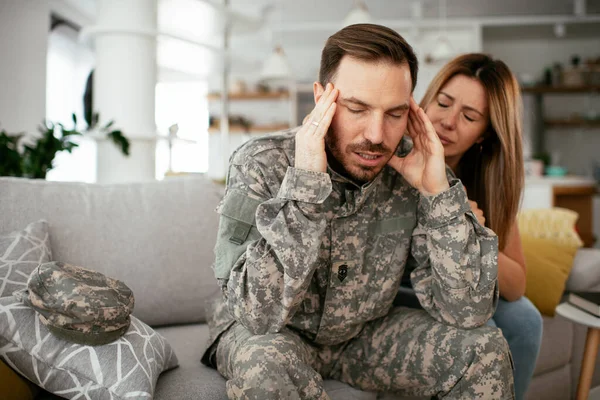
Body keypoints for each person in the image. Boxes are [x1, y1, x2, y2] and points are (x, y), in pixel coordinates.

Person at [202, 24, 514, 400]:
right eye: (357, 109)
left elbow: (468, 311)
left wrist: (437, 193)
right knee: (264, 364)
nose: (377, 135)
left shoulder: (415, 167)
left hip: (363, 336)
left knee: (484, 348)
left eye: (395, 114)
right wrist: (305, 185)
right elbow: (257, 315)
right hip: (275, 335)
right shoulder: (261, 163)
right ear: (322, 99)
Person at [400, 53, 542, 400]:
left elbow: (517, 284)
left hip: (459, 293)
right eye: (443, 103)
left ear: (485, 134)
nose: (448, 121)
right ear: (425, 101)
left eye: (469, 116)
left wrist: (475, 234)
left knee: (525, 318)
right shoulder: (394, 155)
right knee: (483, 329)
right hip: (400, 293)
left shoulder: (486, 182)